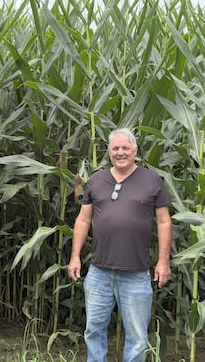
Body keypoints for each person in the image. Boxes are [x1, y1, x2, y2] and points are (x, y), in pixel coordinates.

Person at [67, 128, 172, 362]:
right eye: (115, 148)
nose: (120, 152)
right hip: (99, 272)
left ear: (135, 151)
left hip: (136, 274)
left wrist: (163, 261)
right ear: (109, 151)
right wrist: (75, 256)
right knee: (93, 331)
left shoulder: (151, 180)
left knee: (137, 338)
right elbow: (83, 220)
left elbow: (164, 222)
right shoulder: (96, 180)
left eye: (125, 148)